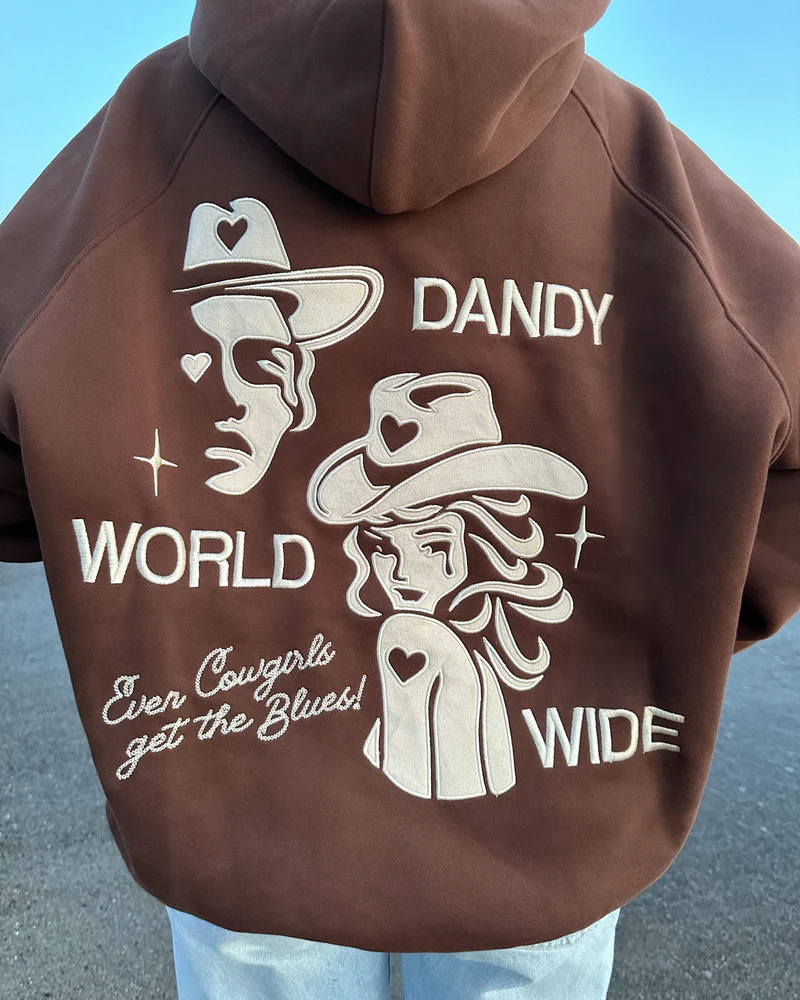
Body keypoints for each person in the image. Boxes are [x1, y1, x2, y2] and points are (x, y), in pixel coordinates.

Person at [0, 1, 797, 998]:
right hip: (548, 844)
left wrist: (135, 583)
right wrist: (667, 616)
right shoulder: (630, 153)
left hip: (237, 823)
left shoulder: (141, 139)